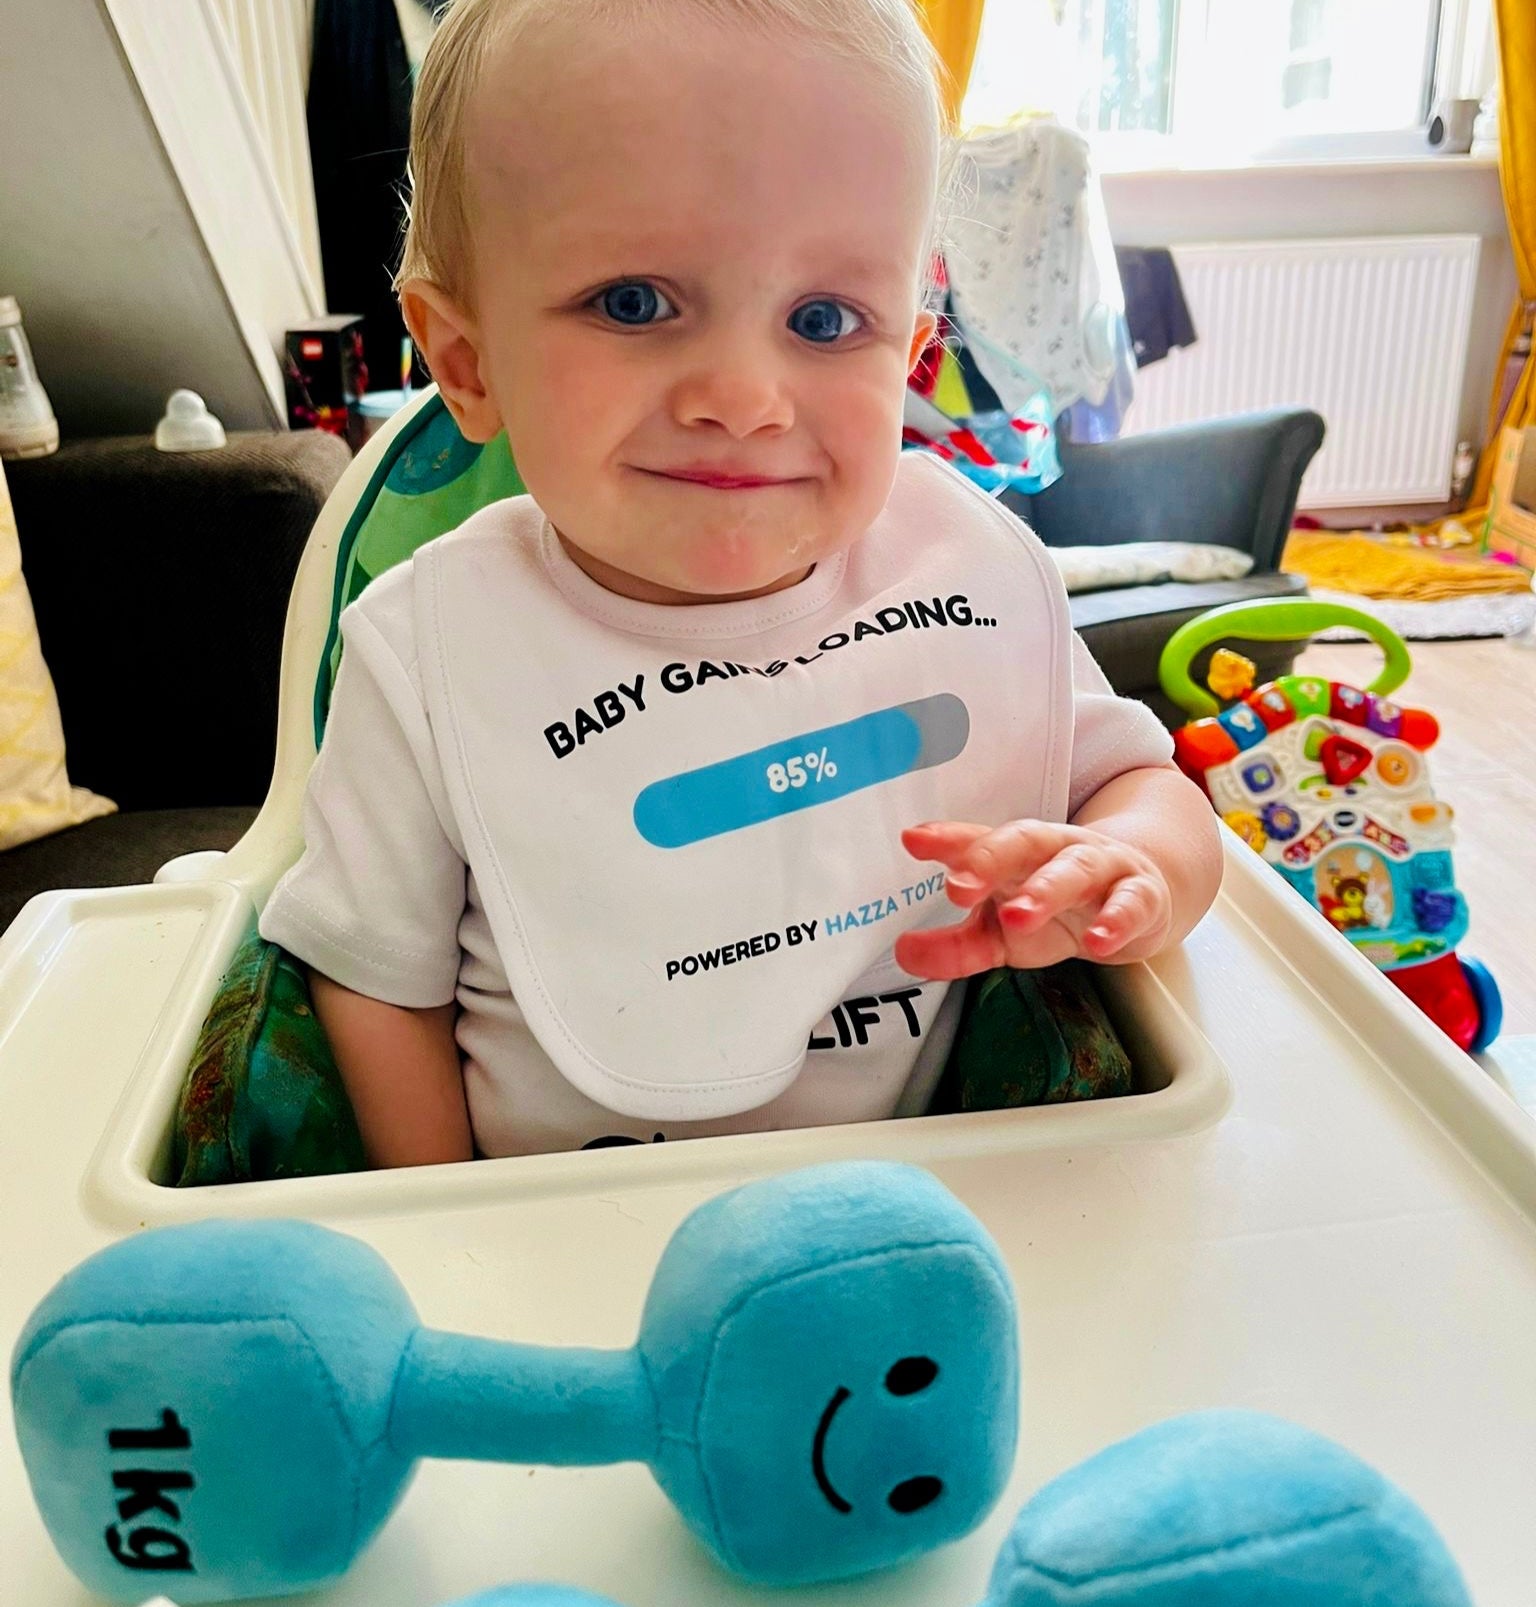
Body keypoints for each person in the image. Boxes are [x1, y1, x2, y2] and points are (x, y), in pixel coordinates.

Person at [259, 0, 1224, 1164]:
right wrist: (442, 1226)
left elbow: (1142, 785)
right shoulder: (428, 653)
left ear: (908, 353)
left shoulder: (958, 570)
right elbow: (376, 983)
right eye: (635, 302)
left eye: (824, 320)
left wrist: (1139, 870)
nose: (744, 395)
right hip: (563, 1233)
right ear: (466, 361)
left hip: (930, 1214)